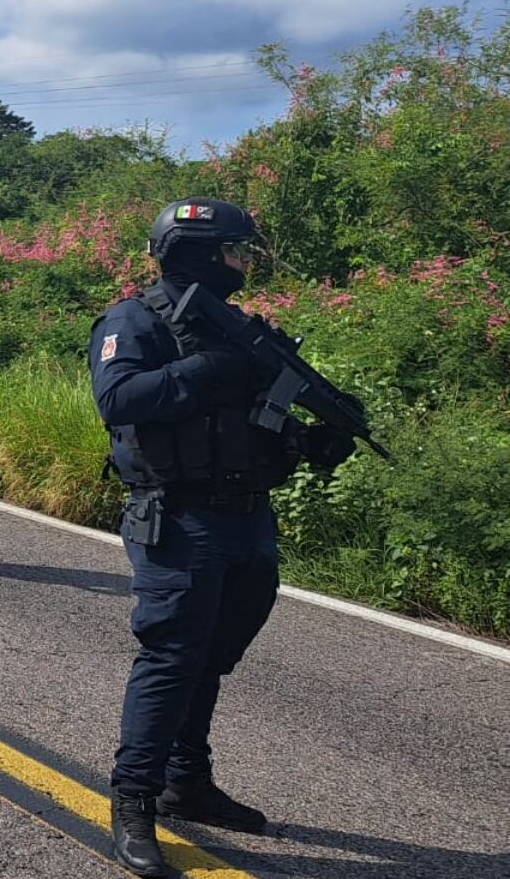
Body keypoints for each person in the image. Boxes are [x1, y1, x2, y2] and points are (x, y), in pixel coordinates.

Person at [91, 198, 355, 877]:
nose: (242, 264)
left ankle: (188, 781)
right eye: (234, 251)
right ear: (201, 252)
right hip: (177, 518)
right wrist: (207, 370)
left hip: (245, 517)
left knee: (213, 655)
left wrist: (310, 443)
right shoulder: (135, 319)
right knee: (172, 656)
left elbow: (254, 421)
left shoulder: (237, 329)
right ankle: (134, 802)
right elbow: (119, 400)